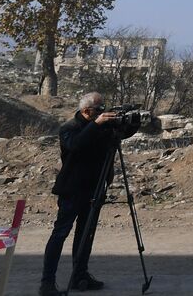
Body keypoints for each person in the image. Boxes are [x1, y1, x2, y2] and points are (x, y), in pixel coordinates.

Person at [40, 92, 139, 294]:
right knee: (60, 233)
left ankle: (80, 276)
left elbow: (123, 133)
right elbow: (75, 145)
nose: (103, 112)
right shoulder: (69, 128)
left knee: (86, 235)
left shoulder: (103, 127)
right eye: (99, 109)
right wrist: (96, 124)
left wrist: (134, 121)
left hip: (95, 188)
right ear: (86, 111)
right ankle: (47, 282)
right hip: (72, 189)